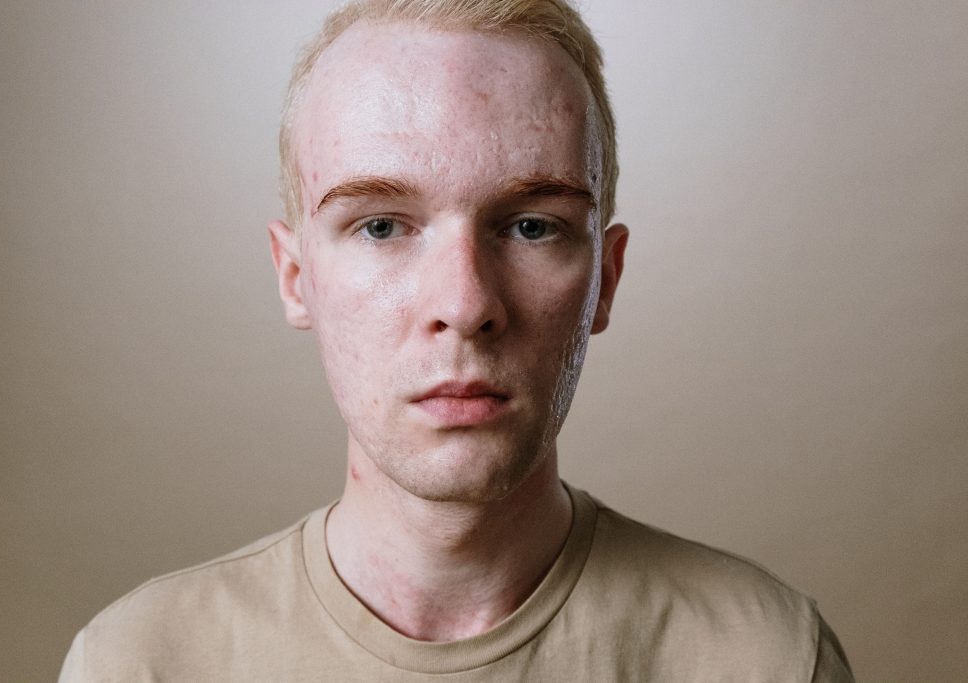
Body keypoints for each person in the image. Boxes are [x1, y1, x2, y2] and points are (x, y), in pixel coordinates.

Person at [59, 0, 854, 680]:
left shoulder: (767, 657)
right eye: (380, 225)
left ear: (604, 280)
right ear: (295, 275)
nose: (465, 303)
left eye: (532, 226)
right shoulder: (142, 664)